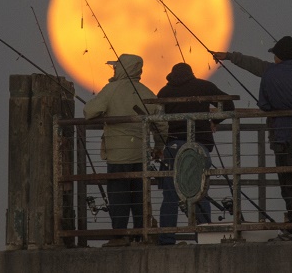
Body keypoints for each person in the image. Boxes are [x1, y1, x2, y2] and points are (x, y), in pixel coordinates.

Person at [214, 36, 292, 239]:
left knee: (290, 184)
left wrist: (231, 57)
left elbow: (264, 104)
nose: (273, 58)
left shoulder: (269, 76)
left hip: (283, 140)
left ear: (281, 56)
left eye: (275, 54)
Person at [83, 53, 168, 247]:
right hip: (141, 154)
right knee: (139, 195)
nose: (113, 70)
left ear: (123, 68)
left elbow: (88, 112)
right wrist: (159, 147)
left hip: (118, 156)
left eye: (115, 67)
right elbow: (161, 125)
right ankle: (140, 235)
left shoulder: (111, 90)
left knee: (118, 196)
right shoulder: (146, 92)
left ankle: (119, 236)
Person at [156, 62, 235, 245]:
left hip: (173, 147)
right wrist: (214, 121)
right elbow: (229, 104)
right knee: (199, 191)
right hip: (199, 145)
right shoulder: (203, 86)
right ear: (191, 73)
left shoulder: (165, 92)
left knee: (170, 195)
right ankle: (205, 236)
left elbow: (158, 120)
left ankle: (167, 239)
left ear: (171, 74)